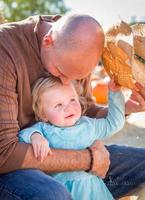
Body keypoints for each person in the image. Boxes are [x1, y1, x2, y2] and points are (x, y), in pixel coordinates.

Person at [0, 12, 145, 200]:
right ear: (48, 42)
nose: (67, 84)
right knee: (53, 194)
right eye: (61, 71)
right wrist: (89, 159)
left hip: (80, 171)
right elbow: (4, 153)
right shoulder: (6, 50)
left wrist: (122, 109)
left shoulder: (80, 47)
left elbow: (86, 112)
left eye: (77, 77)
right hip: (14, 168)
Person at [19, 74, 125, 200]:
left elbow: (114, 123)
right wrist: (35, 137)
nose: (69, 107)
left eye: (72, 100)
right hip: (62, 191)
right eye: (58, 105)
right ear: (43, 115)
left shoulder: (88, 125)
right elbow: (22, 137)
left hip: (93, 192)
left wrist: (115, 93)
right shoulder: (44, 130)